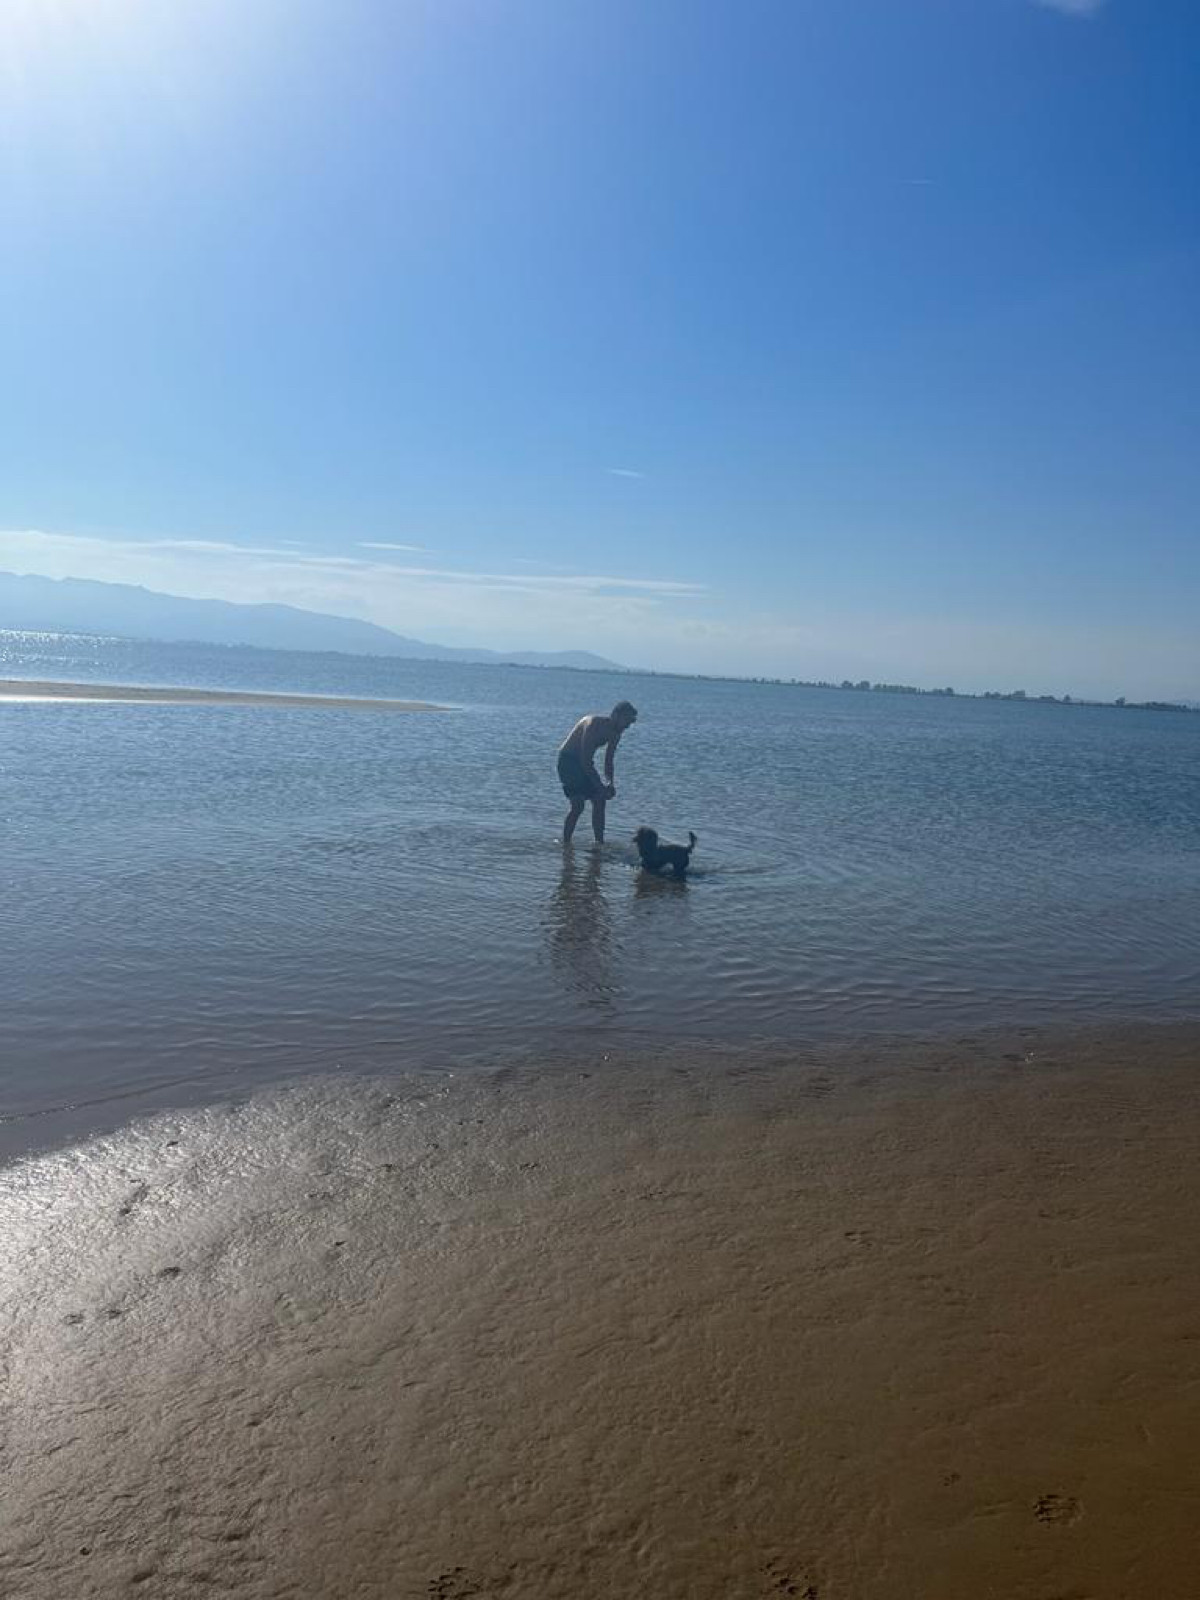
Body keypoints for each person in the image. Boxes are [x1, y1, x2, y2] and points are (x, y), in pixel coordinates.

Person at [556, 700, 638, 844]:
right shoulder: (593, 724)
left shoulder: (616, 734)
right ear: (616, 715)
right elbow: (585, 760)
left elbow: (608, 761)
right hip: (568, 761)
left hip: (584, 763)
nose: (627, 726)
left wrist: (610, 783)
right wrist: (600, 786)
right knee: (578, 805)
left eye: (630, 723)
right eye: (626, 720)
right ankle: (566, 843)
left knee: (600, 800)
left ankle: (599, 843)